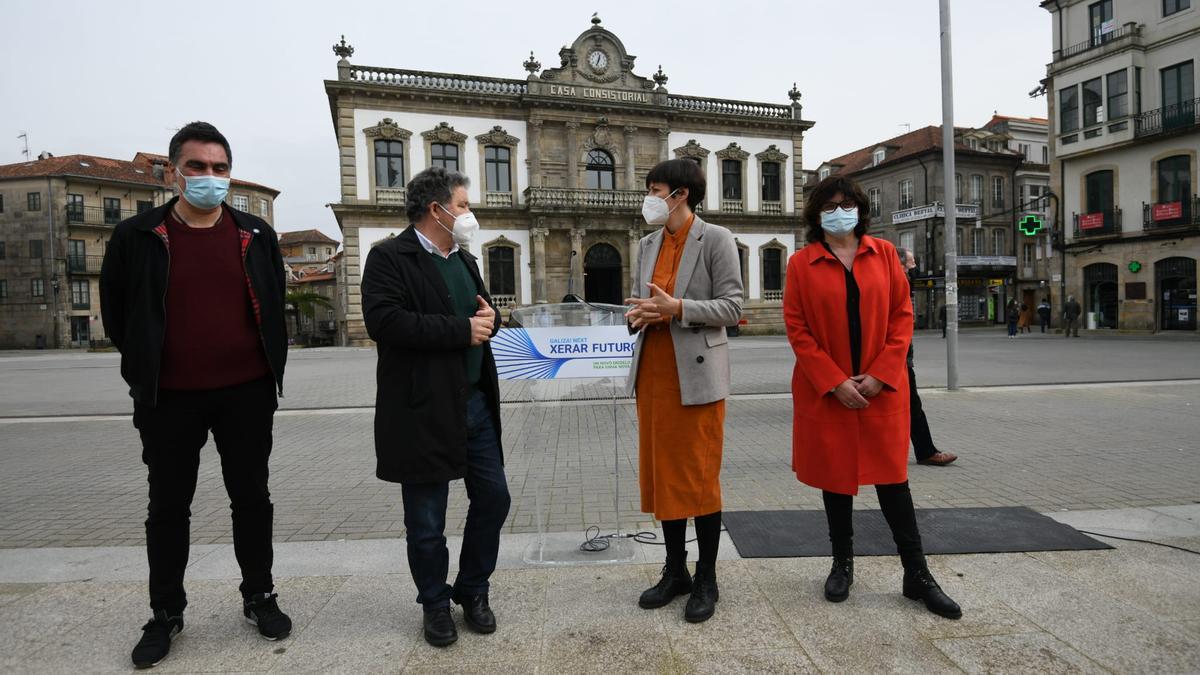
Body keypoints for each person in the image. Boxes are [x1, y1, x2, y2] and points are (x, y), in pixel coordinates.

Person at [100, 122, 292, 668]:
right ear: (173, 172)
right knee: (167, 506)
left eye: (220, 168)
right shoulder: (137, 237)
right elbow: (118, 315)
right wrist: (144, 366)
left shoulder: (255, 234)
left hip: (247, 394)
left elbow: (272, 302)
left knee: (252, 498)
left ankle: (259, 595)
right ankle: (165, 613)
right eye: (198, 167)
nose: (210, 177)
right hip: (168, 398)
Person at [783, 175, 961, 620]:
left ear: (861, 210)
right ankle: (842, 564)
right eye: (829, 205)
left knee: (892, 480)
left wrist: (881, 375)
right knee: (836, 480)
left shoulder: (884, 255)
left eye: (847, 204)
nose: (839, 211)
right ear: (816, 213)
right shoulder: (802, 264)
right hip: (829, 391)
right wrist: (834, 380)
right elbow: (798, 330)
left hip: (881, 390)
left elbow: (903, 317)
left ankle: (916, 574)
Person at [360, 167, 509, 648]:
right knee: (427, 522)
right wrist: (461, 331)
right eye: (464, 206)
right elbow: (385, 322)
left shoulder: (464, 259)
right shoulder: (389, 257)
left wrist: (493, 317)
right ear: (437, 210)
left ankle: (473, 588)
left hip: (475, 403)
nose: (470, 215)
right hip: (423, 408)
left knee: (494, 497)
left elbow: (481, 313)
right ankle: (434, 603)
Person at [624, 159, 743, 624]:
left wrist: (678, 308)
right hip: (653, 373)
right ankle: (675, 571)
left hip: (696, 377)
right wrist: (638, 314)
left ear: (681, 195)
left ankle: (707, 576)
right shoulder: (647, 243)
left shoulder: (716, 239)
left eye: (655, 189)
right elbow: (643, 303)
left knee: (697, 477)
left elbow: (732, 306)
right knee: (663, 476)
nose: (649, 198)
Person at [897, 248, 958, 467]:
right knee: (911, 405)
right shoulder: (896, 285)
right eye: (912, 263)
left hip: (902, 357)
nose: (915, 268)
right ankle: (926, 452)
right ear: (901, 264)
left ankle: (925, 450)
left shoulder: (903, 284)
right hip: (896, 359)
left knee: (912, 405)